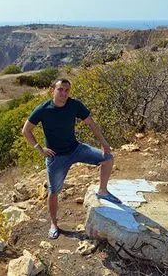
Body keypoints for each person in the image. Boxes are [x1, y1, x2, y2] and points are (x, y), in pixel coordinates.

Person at [22, 78, 121, 240]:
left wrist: (103, 142)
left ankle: (102, 191)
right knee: (54, 192)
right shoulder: (43, 109)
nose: (64, 93)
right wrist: (40, 149)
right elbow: (26, 131)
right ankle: (54, 224)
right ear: (52, 90)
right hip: (56, 157)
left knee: (108, 158)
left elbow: (91, 123)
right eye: (60, 89)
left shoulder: (74, 105)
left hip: (76, 149)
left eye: (67, 90)